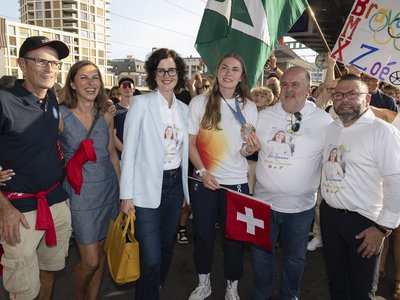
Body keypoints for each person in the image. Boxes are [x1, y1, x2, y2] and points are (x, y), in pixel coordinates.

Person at [0, 36, 72, 300]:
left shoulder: (51, 99)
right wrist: (3, 206)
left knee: (50, 270)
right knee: (23, 290)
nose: (49, 68)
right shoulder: (4, 101)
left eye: (54, 62)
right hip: (18, 212)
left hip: (56, 203)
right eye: (40, 60)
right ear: (21, 64)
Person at [253, 66, 333, 299]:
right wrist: (246, 148)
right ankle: (261, 295)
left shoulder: (323, 121)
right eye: (285, 84)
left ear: (308, 89)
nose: (289, 89)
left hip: (300, 209)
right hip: (263, 206)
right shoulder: (264, 116)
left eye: (295, 85)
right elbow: (246, 147)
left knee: (295, 259)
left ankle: (290, 296)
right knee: (260, 256)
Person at [320, 74, 400, 299]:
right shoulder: (331, 128)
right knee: (336, 283)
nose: (344, 99)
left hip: (365, 223)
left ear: (367, 99)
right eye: (338, 94)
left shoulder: (383, 132)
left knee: (361, 289)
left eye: (352, 94)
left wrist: (382, 228)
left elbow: (397, 183)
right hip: (330, 216)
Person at [119, 48, 190, 300]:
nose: (166, 75)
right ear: (153, 74)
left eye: (171, 69)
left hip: (174, 187)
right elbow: (128, 153)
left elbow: (184, 153)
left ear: (178, 74)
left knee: (166, 248)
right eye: (160, 70)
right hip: (145, 189)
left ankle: (153, 288)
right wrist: (126, 196)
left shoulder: (184, 109)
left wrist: (184, 191)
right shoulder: (141, 104)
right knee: (150, 258)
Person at [188, 53, 259, 300]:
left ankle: (232, 286)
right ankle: (203, 283)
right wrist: (203, 172)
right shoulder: (199, 102)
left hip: (236, 182)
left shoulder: (249, 107)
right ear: (217, 72)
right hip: (204, 180)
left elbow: (243, 148)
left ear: (241, 76)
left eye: (235, 70)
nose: (229, 73)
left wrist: (248, 149)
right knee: (204, 236)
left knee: (234, 240)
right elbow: (191, 144)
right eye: (225, 68)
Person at [58, 60, 120, 300]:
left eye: (95, 77)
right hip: (80, 193)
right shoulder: (60, 115)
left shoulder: (106, 113)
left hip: (107, 190)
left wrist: (122, 193)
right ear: (72, 83)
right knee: (90, 261)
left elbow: (112, 155)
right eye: (83, 77)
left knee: (102, 254)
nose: (90, 82)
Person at [114, 77, 135, 159]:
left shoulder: (141, 109)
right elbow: (113, 136)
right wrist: (127, 152)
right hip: (121, 156)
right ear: (119, 90)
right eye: (124, 86)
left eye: (130, 85)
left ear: (134, 89)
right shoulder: (113, 110)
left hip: (139, 155)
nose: (127, 88)